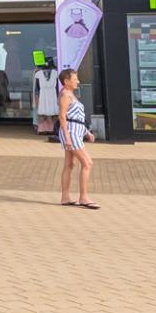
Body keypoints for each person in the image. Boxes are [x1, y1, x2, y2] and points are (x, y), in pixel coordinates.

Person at [57, 68, 97, 208]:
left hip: (76, 131)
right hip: (71, 132)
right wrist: (67, 138)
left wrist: (87, 131)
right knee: (87, 163)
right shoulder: (65, 96)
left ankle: (65, 197)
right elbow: (62, 117)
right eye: (75, 79)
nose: (78, 81)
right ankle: (83, 197)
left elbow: (76, 117)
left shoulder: (70, 94)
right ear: (66, 81)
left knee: (69, 164)